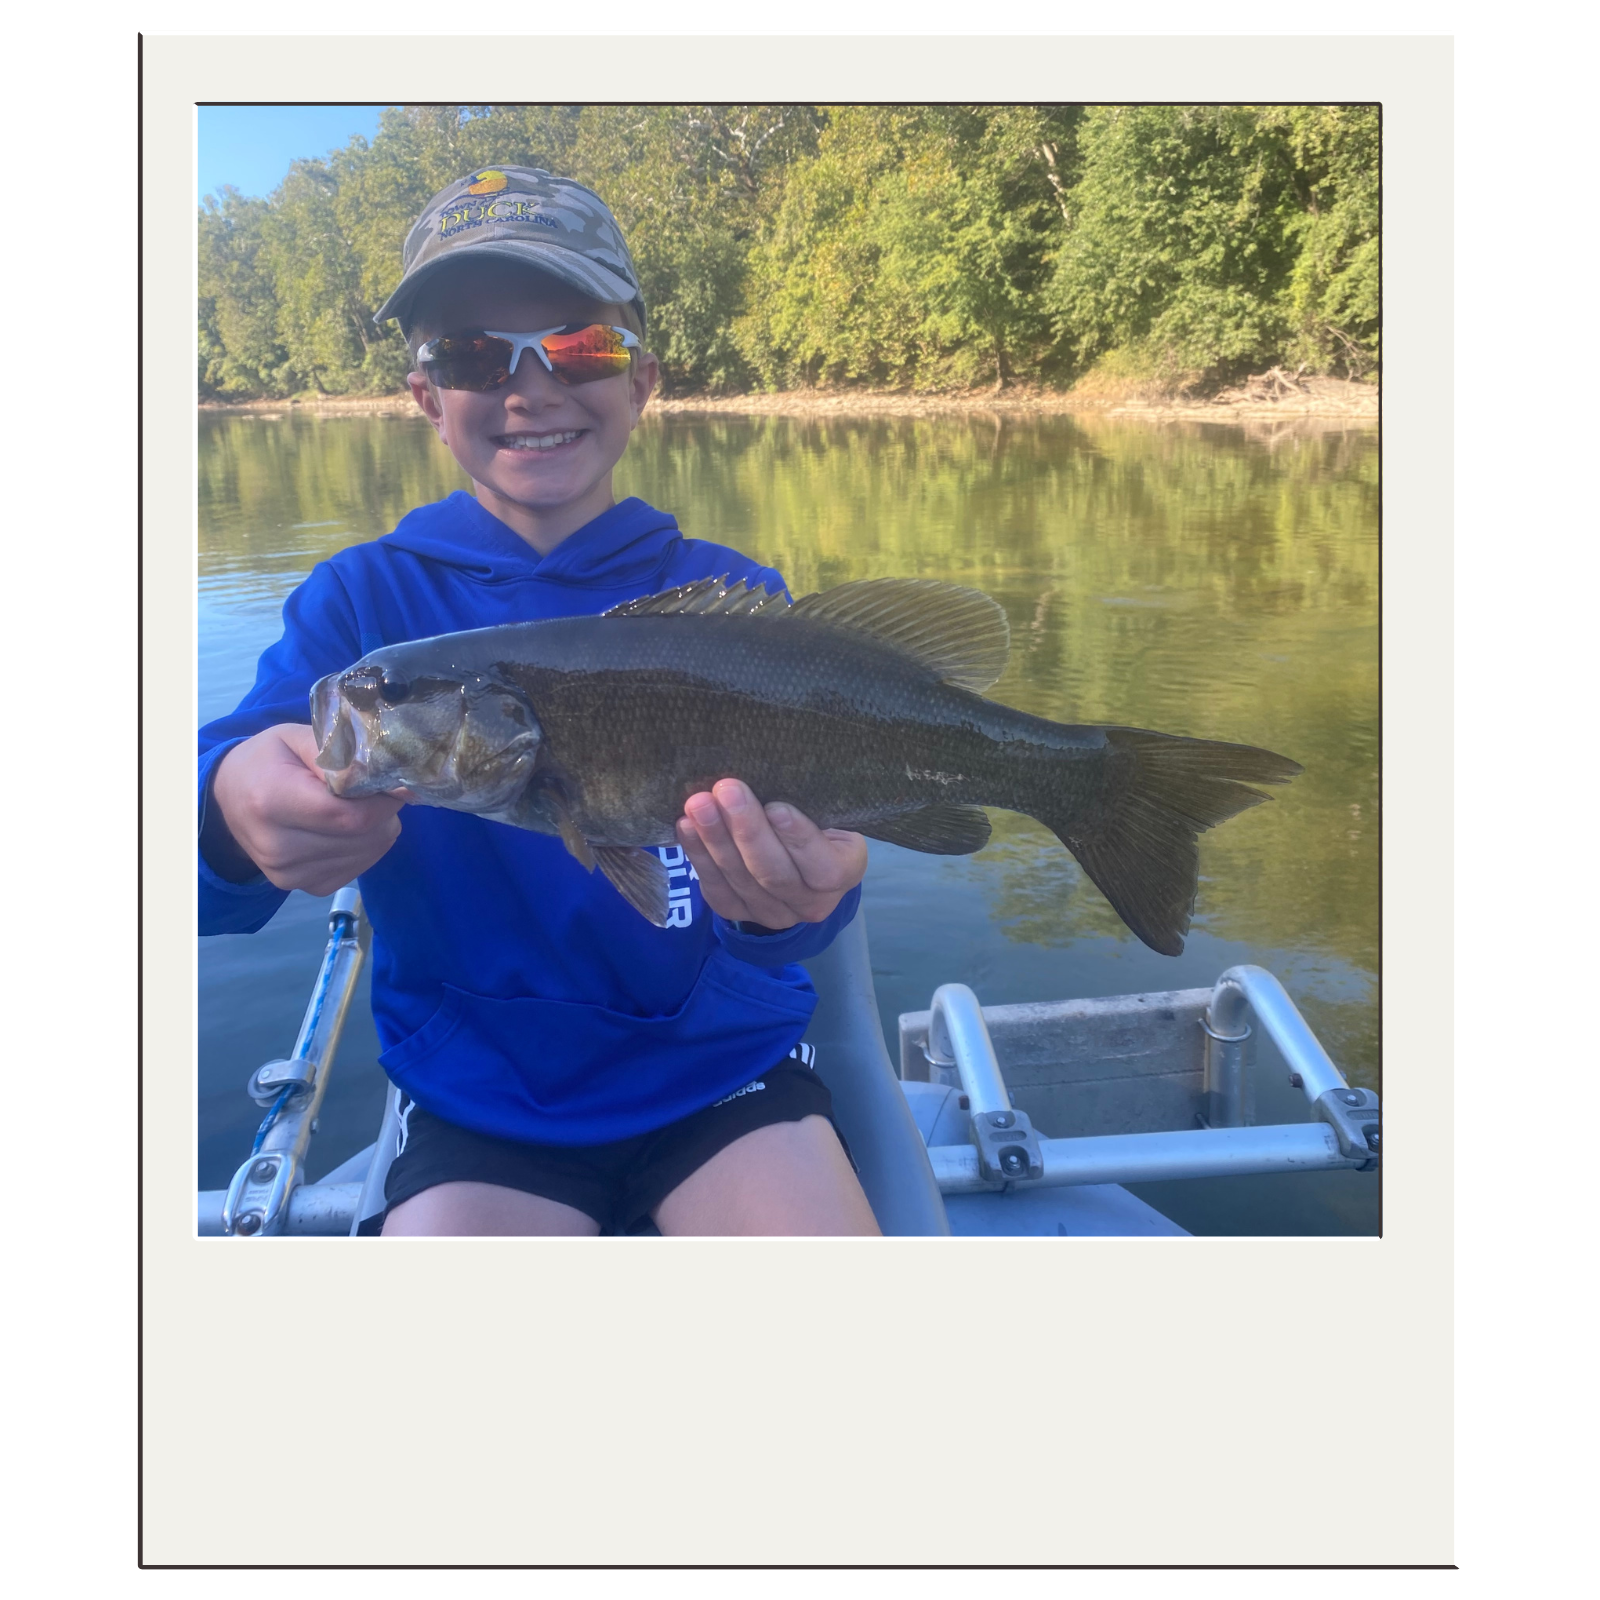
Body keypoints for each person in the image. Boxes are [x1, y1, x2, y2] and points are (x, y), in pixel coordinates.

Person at [198, 166, 880, 1238]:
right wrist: (229, 811)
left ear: (642, 379)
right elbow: (203, 869)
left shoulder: (737, 600)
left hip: (722, 1073)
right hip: (481, 1101)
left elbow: (800, 905)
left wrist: (795, 899)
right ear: (427, 397)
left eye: (580, 346)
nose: (531, 387)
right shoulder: (360, 611)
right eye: (473, 355)